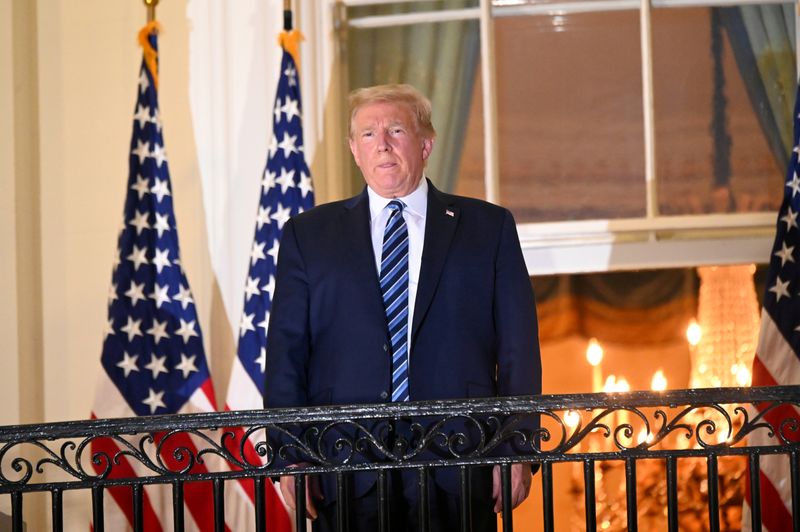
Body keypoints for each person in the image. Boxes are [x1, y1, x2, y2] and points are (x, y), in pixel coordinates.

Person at [264, 83, 542, 531]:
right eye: (368, 134)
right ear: (355, 150)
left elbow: (518, 349)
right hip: (343, 465)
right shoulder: (308, 235)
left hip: (460, 460)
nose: (383, 144)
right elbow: (285, 355)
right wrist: (290, 456)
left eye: (396, 129)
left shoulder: (487, 228)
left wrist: (516, 450)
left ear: (426, 143)